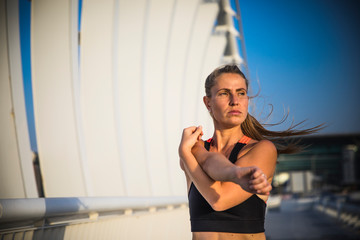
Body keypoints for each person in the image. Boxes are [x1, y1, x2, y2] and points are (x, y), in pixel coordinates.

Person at [179, 64, 322, 240]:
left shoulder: (262, 149)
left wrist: (234, 173)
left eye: (241, 93)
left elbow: (219, 199)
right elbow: (209, 161)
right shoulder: (195, 148)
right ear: (208, 102)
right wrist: (236, 174)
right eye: (224, 93)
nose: (235, 100)